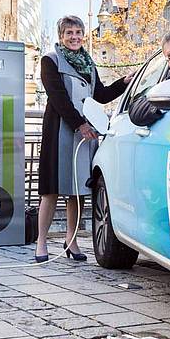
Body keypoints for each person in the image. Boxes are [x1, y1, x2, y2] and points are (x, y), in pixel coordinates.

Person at [36, 15, 135, 262]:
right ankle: (41, 242)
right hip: (60, 132)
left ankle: (72, 241)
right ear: (61, 36)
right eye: (69, 32)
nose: (75, 37)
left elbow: (100, 95)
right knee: (51, 190)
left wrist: (124, 83)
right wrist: (79, 124)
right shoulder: (50, 61)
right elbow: (58, 98)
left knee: (78, 190)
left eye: (79, 32)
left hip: (85, 134)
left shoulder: (88, 64)